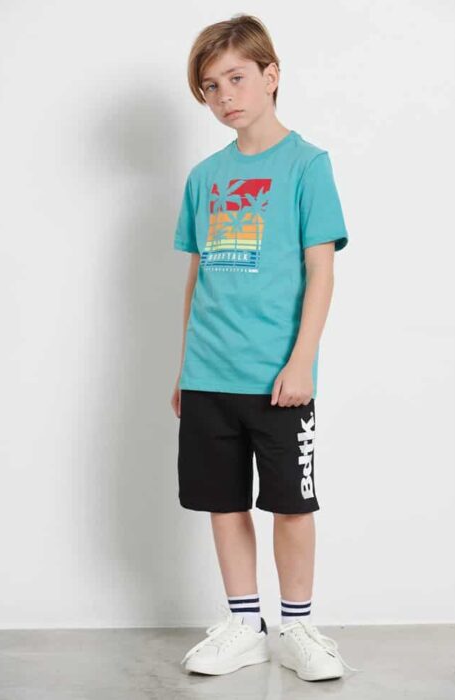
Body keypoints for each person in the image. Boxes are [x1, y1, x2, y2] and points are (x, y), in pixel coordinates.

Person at [170, 14, 358, 682]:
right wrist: (184, 368)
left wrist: (302, 359)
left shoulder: (307, 165)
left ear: (271, 75)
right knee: (223, 502)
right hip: (209, 373)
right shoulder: (204, 176)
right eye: (211, 86)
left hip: (279, 377)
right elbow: (197, 275)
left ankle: (298, 625)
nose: (225, 96)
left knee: (290, 504)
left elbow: (320, 270)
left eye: (237, 78)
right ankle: (245, 625)